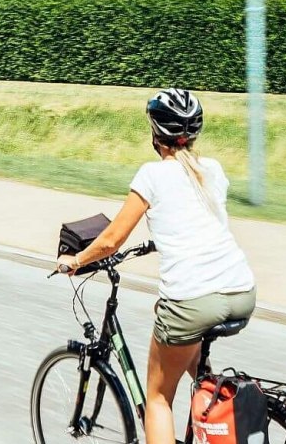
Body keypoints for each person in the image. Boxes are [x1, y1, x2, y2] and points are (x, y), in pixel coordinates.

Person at [58, 88, 258, 444]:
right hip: (242, 291)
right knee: (177, 322)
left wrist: (76, 260)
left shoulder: (152, 175)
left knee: (159, 398)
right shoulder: (212, 169)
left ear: (155, 133)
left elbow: (109, 241)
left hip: (194, 300)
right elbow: (196, 220)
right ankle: (210, 400)